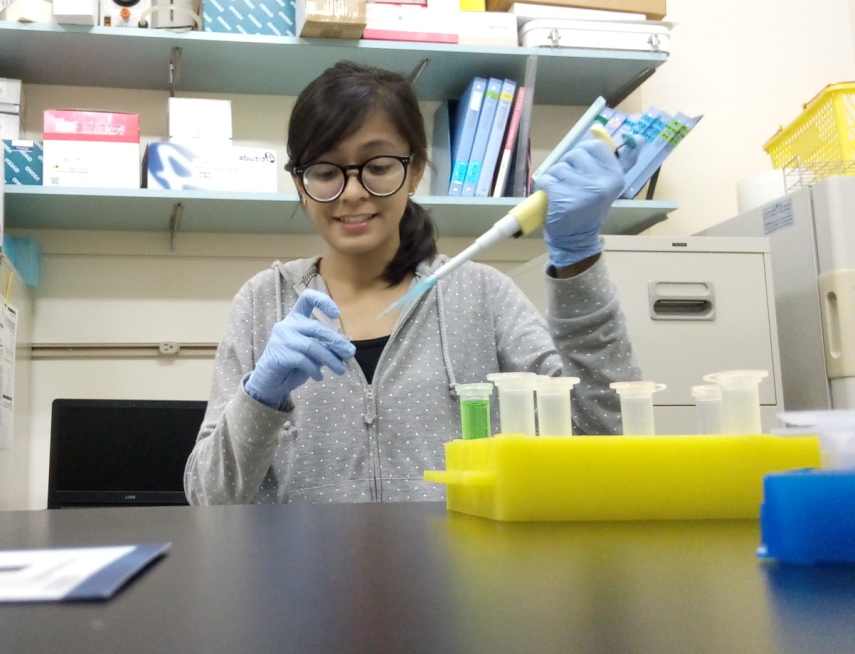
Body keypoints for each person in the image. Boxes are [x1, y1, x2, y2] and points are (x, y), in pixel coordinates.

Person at [184, 61, 641, 505]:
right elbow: (208, 497)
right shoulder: (262, 303)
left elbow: (606, 434)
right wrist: (259, 397)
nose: (352, 192)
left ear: (417, 169)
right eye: (324, 171)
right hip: (304, 560)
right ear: (301, 184)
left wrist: (578, 260)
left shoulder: (481, 295)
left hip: (462, 560)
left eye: (378, 166)